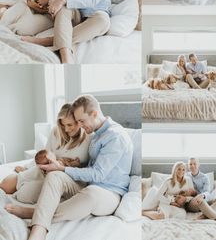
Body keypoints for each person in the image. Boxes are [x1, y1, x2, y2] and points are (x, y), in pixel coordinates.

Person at [5, 94, 133, 240]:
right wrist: (62, 167)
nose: (81, 125)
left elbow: (98, 174)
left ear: (95, 114)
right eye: (78, 121)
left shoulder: (115, 136)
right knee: (55, 176)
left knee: (91, 194)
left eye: (82, 121)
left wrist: (63, 168)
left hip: (109, 193)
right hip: (87, 185)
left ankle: (35, 213)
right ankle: (39, 230)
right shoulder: (96, 134)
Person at [0, 103, 91, 204]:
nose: (66, 129)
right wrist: (28, 168)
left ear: (79, 122)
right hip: (46, 168)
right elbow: (46, 153)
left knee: (25, 194)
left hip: (64, 178)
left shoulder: (89, 138)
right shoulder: (56, 131)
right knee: (6, 184)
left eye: (70, 125)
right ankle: (24, 177)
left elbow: (91, 170)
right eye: (62, 124)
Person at [186, 157, 216, 222]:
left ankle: (204, 215)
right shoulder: (186, 176)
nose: (192, 166)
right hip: (193, 202)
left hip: (203, 199)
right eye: (190, 164)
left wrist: (202, 196)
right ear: (188, 166)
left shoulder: (204, 177)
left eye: (194, 164)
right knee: (200, 201)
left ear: (198, 165)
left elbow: (207, 192)